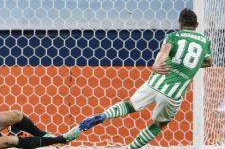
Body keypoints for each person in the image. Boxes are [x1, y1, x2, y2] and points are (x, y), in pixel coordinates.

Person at [67, 8, 213, 149]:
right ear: (197, 25)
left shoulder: (172, 37)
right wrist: (188, 66)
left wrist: (156, 64)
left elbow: (165, 50)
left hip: (155, 82)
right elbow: (208, 62)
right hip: (172, 93)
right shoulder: (205, 42)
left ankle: (103, 115)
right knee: (158, 125)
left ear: (180, 24)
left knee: (129, 105)